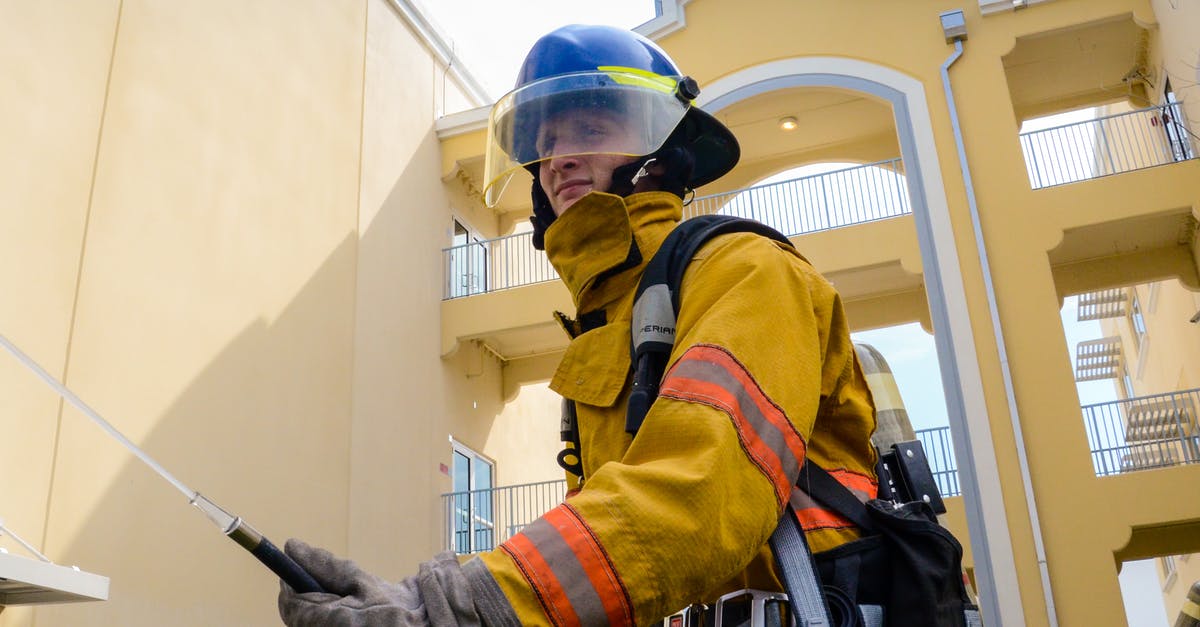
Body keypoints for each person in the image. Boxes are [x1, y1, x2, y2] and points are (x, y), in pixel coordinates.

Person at [278, 24, 877, 626]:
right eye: (545, 141)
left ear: (660, 145)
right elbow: (609, 562)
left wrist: (457, 608)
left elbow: (694, 495)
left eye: (591, 129)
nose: (557, 158)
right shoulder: (610, 324)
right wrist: (411, 603)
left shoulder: (748, 273)